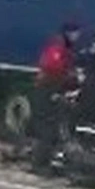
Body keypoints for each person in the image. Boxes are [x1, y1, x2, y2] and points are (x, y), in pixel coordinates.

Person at [29, 22, 82, 174]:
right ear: (67, 32)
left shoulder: (65, 48)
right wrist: (70, 79)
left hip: (52, 91)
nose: (77, 36)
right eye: (74, 32)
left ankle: (45, 161)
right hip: (47, 91)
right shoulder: (58, 48)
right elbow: (53, 69)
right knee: (48, 128)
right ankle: (39, 164)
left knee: (54, 127)